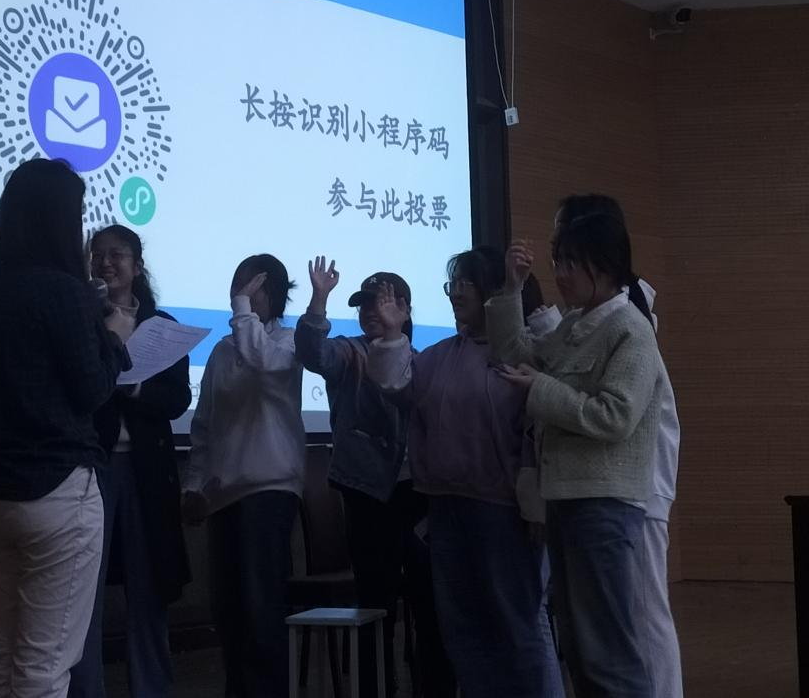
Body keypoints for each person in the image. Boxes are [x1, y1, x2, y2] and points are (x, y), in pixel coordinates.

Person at [0, 158, 131, 698]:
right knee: (44, 667)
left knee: (1, 657)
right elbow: (92, 390)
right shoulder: (64, 291)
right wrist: (116, 338)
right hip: (58, 490)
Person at [365, 246, 564, 698]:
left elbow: (541, 432)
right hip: (447, 509)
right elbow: (398, 386)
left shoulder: (522, 352)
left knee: (518, 627)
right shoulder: (441, 355)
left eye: (464, 284)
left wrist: (537, 508)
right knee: (464, 632)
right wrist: (393, 332)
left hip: (505, 513)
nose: (455, 294)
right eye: (451, 285)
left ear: (494, 290)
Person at [488, 203, 668, 698]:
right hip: (568, 501)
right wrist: (511, 289)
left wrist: (541, 390)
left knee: (608, 652)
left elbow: (615, 415)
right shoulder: (576, 325)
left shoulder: (631, 329)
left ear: (603, 267)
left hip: (604, 506)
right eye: (557, 261)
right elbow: (514, 355)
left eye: (569, 263)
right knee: (579, 646)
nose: (559, 274)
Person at [295, 258, 454, 698]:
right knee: (374, 604)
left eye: (379, 303)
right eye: (363, 304)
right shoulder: (350, 351)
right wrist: (319, 300)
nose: (369, 311)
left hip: (418, 494)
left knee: (430, 602)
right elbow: (313, 353)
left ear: (404, 309)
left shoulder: (422, 361)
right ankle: (375, 689)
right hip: (366, 495)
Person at [553, 196, 681, 698]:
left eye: (567, 251)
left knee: (640, 621)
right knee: (600, 636)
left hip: (632, 485)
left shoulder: (627, 315)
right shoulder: (586, 316)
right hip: (606, 485)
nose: (558, 264)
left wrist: (541, 389)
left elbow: (616, 410)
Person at [68, 225, 192, 698]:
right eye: (97, 255)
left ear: (137, 266)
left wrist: (135, 389)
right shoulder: (80, 317)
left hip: (148, 471)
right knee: (84, 593)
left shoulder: (160, 324)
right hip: (91, 467)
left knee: (150, 588)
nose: (106, 263)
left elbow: (177, 398)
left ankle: (151, 688)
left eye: (117, 255)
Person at [181, 254, 304, 698]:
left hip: (270, 489)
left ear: (275, 293)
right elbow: (204, 426)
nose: (244, 294)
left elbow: (261, 360)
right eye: (239, 285)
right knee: (229, 613)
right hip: (223, 495)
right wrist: (193, 485)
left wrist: (242, 309)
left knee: (260, 609)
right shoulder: (220, 350)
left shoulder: (289, 342)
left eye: (254, 287)